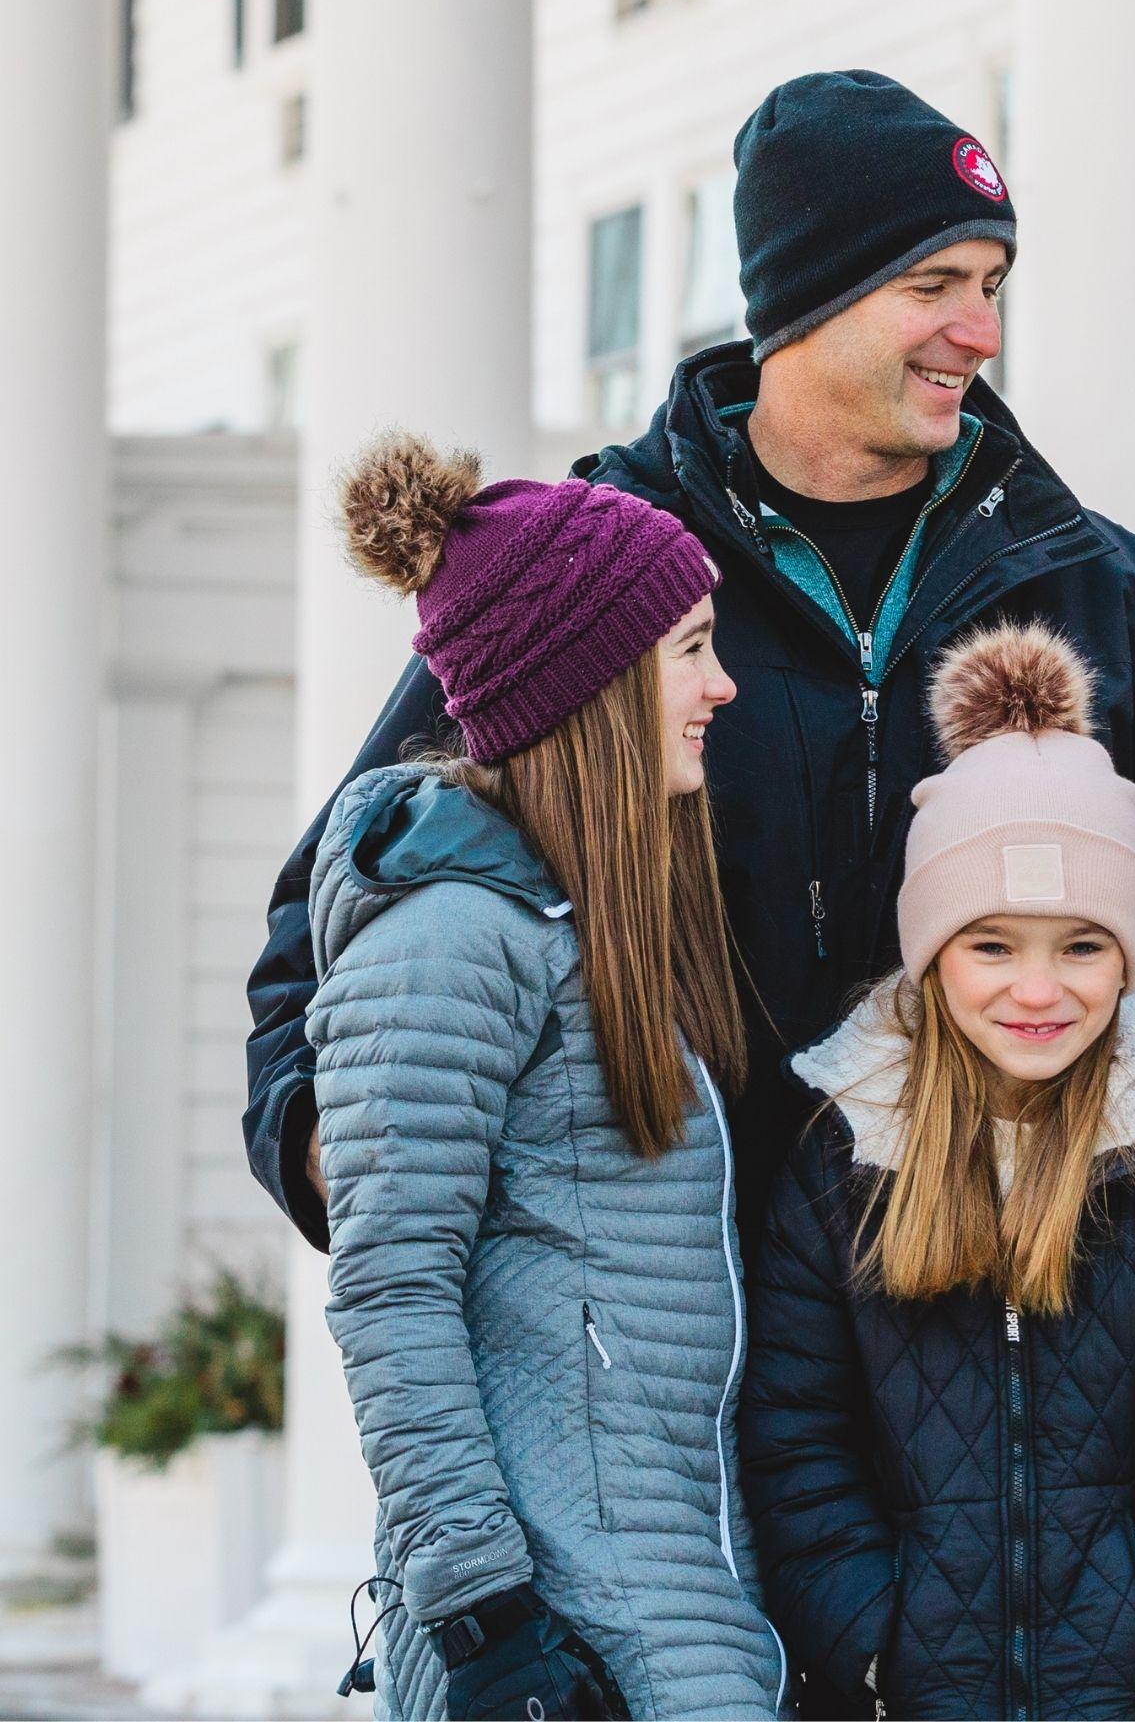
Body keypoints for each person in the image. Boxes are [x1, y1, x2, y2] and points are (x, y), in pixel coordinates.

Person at [245, 69, 1135, 1256]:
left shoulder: (1095, 584)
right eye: (931, 286)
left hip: (1007, 1329)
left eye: (990, 286)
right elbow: (356, 887)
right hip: (670, 1332)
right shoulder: (593, 575)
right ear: (803, 301)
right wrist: (334, 1146)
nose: (978, 330)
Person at [310, 436, 788, 1719]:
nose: (721, 684)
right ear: (590, 683)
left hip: (672, 1613)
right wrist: (485, 1619)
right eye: (688, 646)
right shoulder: (449, 940)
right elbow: (389, 1289)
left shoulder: (590, 934)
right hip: (559, 1642)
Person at [741, 624, 1135, 1721]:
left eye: (1080, 945)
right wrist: (872, 1642)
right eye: (992, 945)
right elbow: (796, 1433)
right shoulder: (844, 1159)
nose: (1038, 989)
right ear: (932, 954)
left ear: (1128, 957)